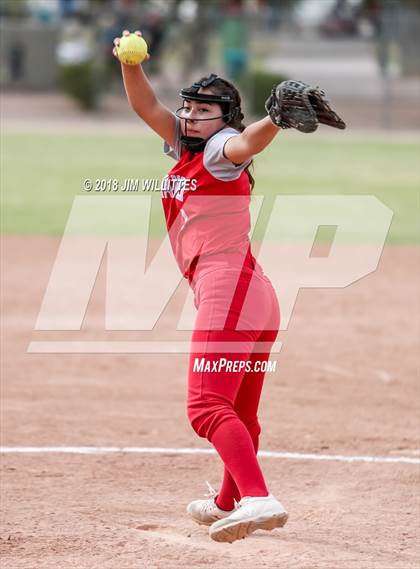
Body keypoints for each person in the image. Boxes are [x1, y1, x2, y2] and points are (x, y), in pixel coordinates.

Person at [113, 29, 289, 544]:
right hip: (255, 293)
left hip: (228, 287)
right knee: (240, 413)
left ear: (224, 119)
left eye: (202, 109)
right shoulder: (185, 147)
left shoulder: (218, 150)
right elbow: (147, 106)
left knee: (206, 407)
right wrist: (130, 63)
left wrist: (275, 119)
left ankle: (259, 498)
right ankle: (228, 501)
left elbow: (245, 141)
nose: (189, 115)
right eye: (188, 107)